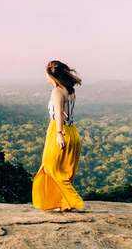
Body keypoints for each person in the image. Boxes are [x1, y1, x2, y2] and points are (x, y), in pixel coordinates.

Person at [32, 60, 85, 212]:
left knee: (51, 166)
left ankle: (74, 201)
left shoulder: (57, 92)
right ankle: (64, 203)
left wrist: (59, 134)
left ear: (52, 76)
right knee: (66, 170)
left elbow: (58, 115)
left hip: (59, 130)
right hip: (72, 131)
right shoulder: (69, 90)